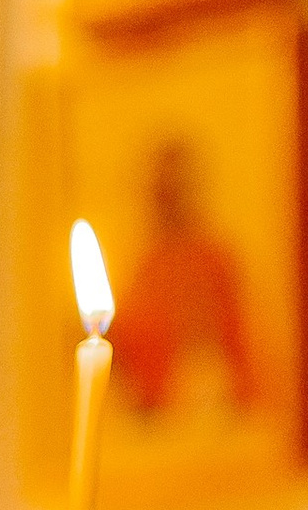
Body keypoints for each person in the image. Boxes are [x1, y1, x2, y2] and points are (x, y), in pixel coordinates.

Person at [110, 138, 258, 417]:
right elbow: (131, 347)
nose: (164, 197)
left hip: (209, 407)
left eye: (173, 187)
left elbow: (232, 345)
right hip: (154, 411)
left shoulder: (212, 258)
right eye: (159, 188)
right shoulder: (145, 264)